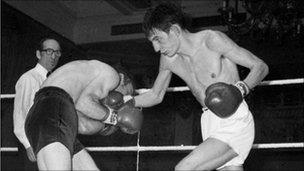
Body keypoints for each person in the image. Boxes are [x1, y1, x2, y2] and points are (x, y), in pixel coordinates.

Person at [133, 2, 269, 170]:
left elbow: (260, 67)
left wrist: (240, 89)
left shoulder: (212, 40)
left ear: (175, 30)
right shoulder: (169, 59)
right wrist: (125, 102)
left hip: (234, 119)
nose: (156, 48)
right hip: (209, 122)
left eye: (158, 39)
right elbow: (155, 95)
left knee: (184, 168)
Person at [24, 60, 143, 170]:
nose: (120, 102)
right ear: (122, 78)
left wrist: (107, 125)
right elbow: (84, 103)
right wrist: (115, 118)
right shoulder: (113, 75)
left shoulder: (76, 93)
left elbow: (84, 126)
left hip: (41, 116)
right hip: (53, 108)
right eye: (124, 93)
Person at [13, 38, 61, 170]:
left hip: (48, 142)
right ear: (38, 54)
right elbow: (20, 115)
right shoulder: (29, 79)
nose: (54, 56)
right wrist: (28, 145)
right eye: (49, 51)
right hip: (32, 144)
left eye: (57, 52)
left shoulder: (54, 80)